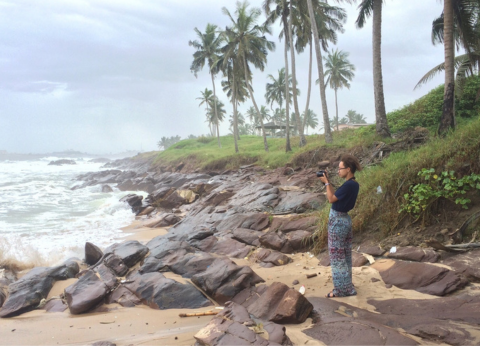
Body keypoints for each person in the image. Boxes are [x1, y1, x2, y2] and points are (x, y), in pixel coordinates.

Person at [319, 154, 362, 298]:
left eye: (340, 168)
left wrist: (326, 183)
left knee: (337, 256)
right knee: (344, 254)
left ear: (348, 169)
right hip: (344, 220)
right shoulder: (353, 184)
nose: (338, 171)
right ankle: (346, 285)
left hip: (338, 221)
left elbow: (331, 199)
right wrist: (328, 182)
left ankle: (342, 290)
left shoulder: (348, 185)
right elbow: (336, 196)